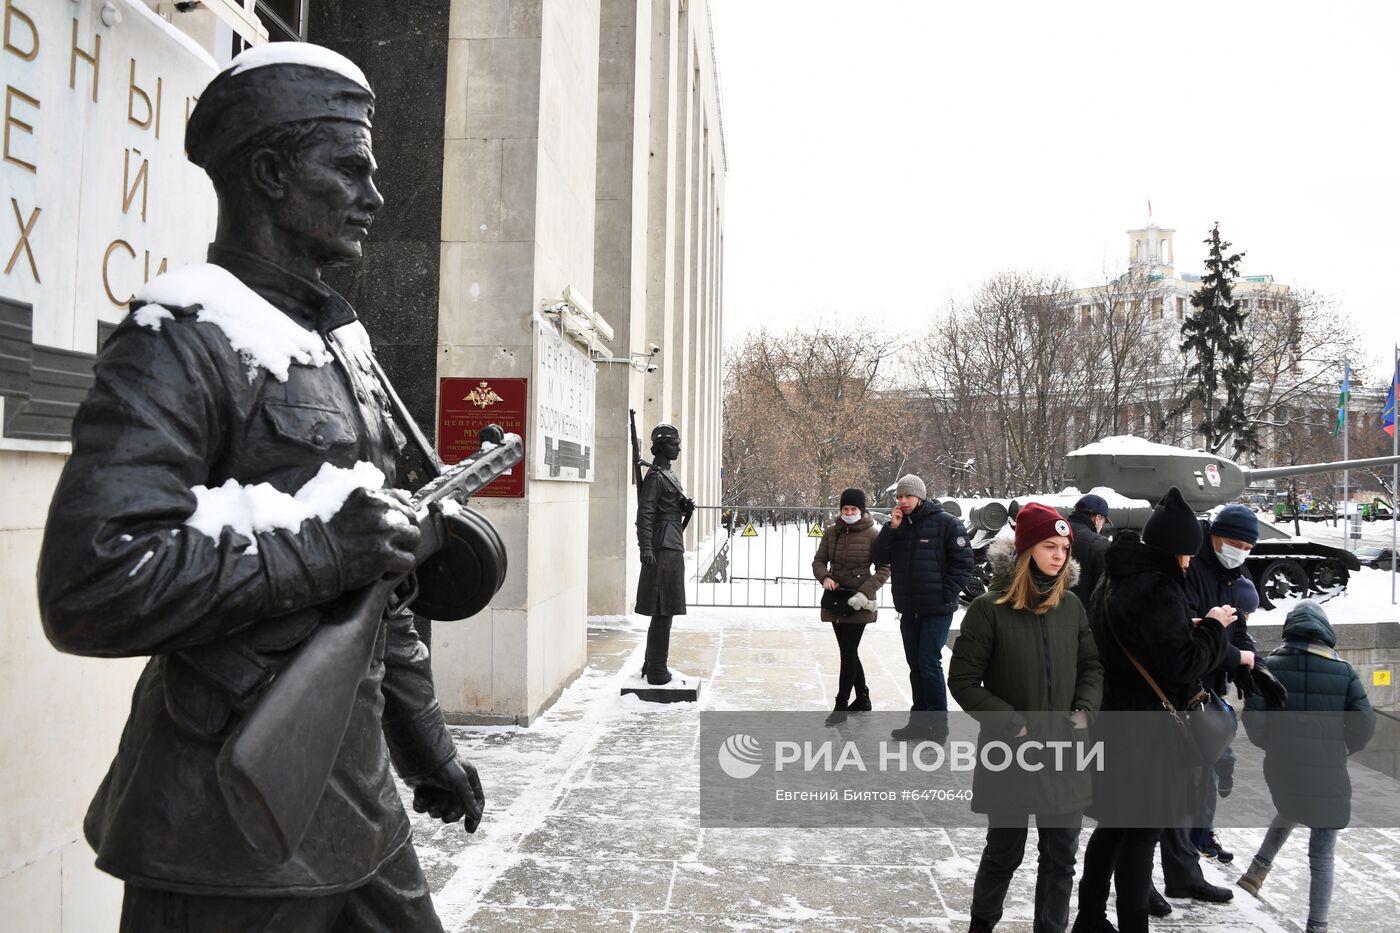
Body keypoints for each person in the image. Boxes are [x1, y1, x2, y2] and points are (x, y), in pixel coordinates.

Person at [36, 44, 483, 932]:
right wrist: (318, 547)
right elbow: (91, 582)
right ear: (273, 173)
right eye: (349, 168)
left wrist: (426, 745)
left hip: (359, 812)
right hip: (225, 827)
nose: (375, 195)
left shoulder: (339, 348)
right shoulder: (181, 338)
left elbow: (377, 585)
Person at [1071, 487, 1234, 933]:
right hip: (1148, 733)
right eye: (1187, 554)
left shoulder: (1116, 576)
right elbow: (1183, 665)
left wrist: (1189, 627)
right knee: (1141, 835)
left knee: (1112, 828)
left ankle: (1089, 917)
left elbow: (1141, 642)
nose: (1188, 563)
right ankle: (1132, 925)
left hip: (1114, 720)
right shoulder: (1158, 586)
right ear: (1177, 550)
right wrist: (1214, 629)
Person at [950, 503, 1103, 933]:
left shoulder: (1072, 606)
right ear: (1025, 550)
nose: (1059, 555)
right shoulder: (989, 608)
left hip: (1066, 752)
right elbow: (963, 680)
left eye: (1064, 547)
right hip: (1011, 752)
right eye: (1049, 546)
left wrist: (1085, 710)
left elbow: (1092, 667)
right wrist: (1010, 722)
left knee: (1061, 859)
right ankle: (981, 925)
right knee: (1004, 853)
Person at [1238, 600, 1376, 933]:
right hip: (1328, 769)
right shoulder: (1343, 671)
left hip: (1283, 767)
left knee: (1292, 805)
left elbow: (1254, 719)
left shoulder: (1269, 666)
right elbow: (1365, 724)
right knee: (1322, 850)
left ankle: (1257, 871)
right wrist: (1344, 748)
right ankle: (1317, 926)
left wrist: (1273, 745)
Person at [1161, 503, 1261, 899]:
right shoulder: (1190, 570)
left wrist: (1251, 663)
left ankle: (1191, 852)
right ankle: (1181, 863)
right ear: (1214, 536)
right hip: (1184, 690)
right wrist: (1236, 657)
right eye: (1234, 543)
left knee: (1202, 777)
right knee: (1186, 782)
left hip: (1209, 689)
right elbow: (1191, 636)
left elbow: (1237, 631)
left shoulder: (1235, 574)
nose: (1239, 552)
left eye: (1247, 548)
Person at [873, 474, 975, 742]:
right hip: (909, 608)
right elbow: (879, 558)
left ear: (920, 496)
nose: (903, 501)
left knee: (929, 662)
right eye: (899, 497)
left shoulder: (947, 524)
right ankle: (918, 722)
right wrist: (891, 528)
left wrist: (946, 593)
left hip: (937, 608)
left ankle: (938, 725)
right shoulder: (900, 526)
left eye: (907, 496)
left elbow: (963, 563)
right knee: (915, 665)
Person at [812, 487, 890, 725]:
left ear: (861, 510)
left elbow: (884, 569)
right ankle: (863, 698)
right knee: (849, 651)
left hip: (859, 603)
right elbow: (818, 561)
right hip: (836, 600)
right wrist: (824, 576)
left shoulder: (874, 534)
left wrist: (863, 594)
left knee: (847, 653)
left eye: (853, 508)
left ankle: (841, 705)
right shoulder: (832, 532)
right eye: (845, 508)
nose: (848, 512)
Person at [635, 422, 695, 684]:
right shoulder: (656, 477)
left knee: (665, 610)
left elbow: (666, 509)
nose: (678, 448)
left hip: (671, 545)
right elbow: (645, 513)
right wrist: (646, 546)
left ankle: (652, 664)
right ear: (660, 447)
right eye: (673, 443)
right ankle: (657, 669)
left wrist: (684, 507)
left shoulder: (669, 475)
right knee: (662, 610)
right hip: (662, 548)